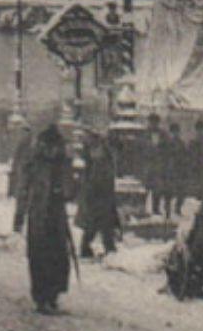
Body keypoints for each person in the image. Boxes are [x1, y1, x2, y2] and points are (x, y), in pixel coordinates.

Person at [22, 125, 75, 315]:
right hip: (39, 215)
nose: (53, 150)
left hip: (56, 216)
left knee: (58, 257)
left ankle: (53, 296)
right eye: (49, 146)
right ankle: (41, 297)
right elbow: (23, 188)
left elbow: (70, 190)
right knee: (39, 257)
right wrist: (19, 215)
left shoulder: (62, 164)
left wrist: (65, 187)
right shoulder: (35, 164)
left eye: (56, 146)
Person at [77, 131, 120, 258]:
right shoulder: (100, 159)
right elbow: (98, 178)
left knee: (97, 223)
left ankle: (91, 247)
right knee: (100, 222)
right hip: (98, 194)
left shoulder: (100, 157)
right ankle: (106, 247)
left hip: (99, 194)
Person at [8, 125, 35, 233]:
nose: (24, 136)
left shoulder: (31, 148)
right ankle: (18, 227)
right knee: (21, 206)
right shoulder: (21, 148)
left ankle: (21, 227)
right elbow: (15, 166)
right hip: (22, 180)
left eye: (26, 134)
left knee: (26, 205)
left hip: (27, 180)